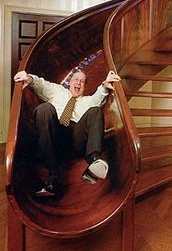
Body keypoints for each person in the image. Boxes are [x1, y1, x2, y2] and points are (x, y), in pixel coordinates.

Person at [14, 69, 121, 197]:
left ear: (84, 87)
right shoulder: (57, 91)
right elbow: (42, 85)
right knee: (44, 109)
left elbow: (100, 95)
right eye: (76, 79)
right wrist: (29, 78)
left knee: (95, 111)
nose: (79, 83)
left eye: (82, 81)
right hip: (55, 139)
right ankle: (53, 175)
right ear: (70, 82)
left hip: (76, 141)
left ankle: (94, 161)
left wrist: (105, 85)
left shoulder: (88, 101)